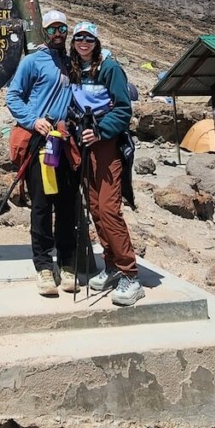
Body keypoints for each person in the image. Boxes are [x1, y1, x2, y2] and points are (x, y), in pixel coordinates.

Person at [67, 21, 144, 306]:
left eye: (88, 38)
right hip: (84, 143)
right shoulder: (74, 67)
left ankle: (130, 274)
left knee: (109, 208)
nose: (83, 42)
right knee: (95, 207)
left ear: (96, 42)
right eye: (78, 38)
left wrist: (101, 129)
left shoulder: (109, 68)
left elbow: (123, 108)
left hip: (108, 144)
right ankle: (110, 264)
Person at [6, 10, 79, 297]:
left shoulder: (73, 62)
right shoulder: (33, 60)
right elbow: (13, 96)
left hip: (68, 142)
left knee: (67, 205)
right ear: (44, 32)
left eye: (62, 28)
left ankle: (69, 263)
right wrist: (32, 120)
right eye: (52, 29)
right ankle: (44, 267)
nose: (58, 33)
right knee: (42, 204)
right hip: (42, 142)